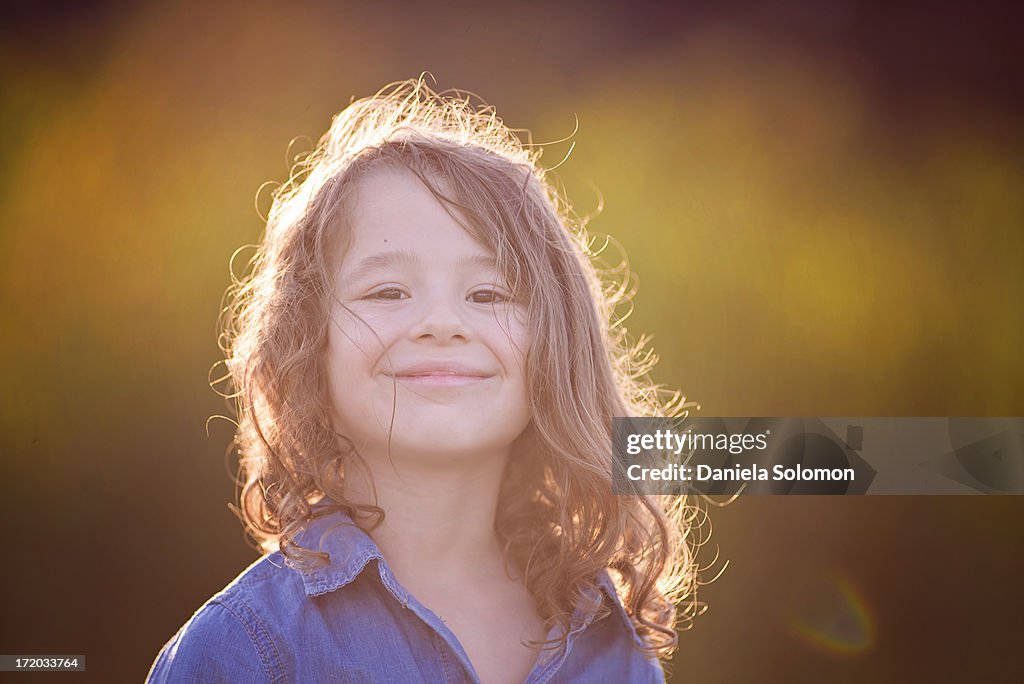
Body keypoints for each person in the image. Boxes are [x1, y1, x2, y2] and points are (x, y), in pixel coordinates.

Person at [147, 77, 701, 683]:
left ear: (556, 349)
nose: (442, 323)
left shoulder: (612, 643)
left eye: (488, 293)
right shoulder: (243, 650)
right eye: (387, 291)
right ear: (308, 345)